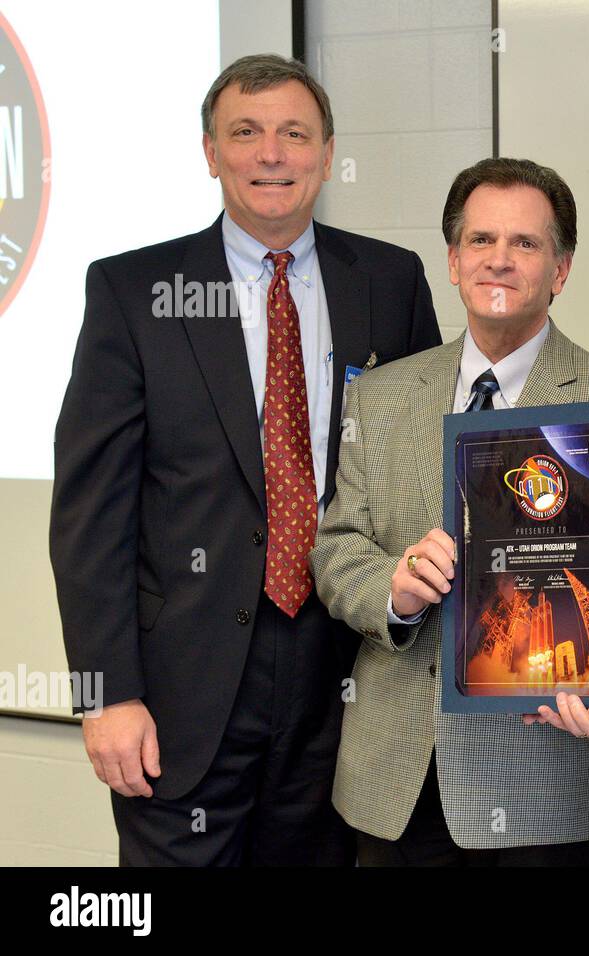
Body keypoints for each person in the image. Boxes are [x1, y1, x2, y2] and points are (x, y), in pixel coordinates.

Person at [49, 54, 440, 865]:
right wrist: (105, 694)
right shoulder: (133, 291)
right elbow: (91, 517)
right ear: (210, 152)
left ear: (327, 154)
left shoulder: (389, 282)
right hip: (181, 690)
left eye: (294, 134)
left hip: (345, 674)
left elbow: (420, 475)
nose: (272, 155)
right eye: (246, 133)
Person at [311, 157, 589, 866]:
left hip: (543, 783)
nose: (499, 259)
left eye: (525, 244)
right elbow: (338, 549)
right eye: (480, 240)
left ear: (560, 269)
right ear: (453, 259)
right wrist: (394, 592)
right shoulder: (380, 396)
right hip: (394, 783)